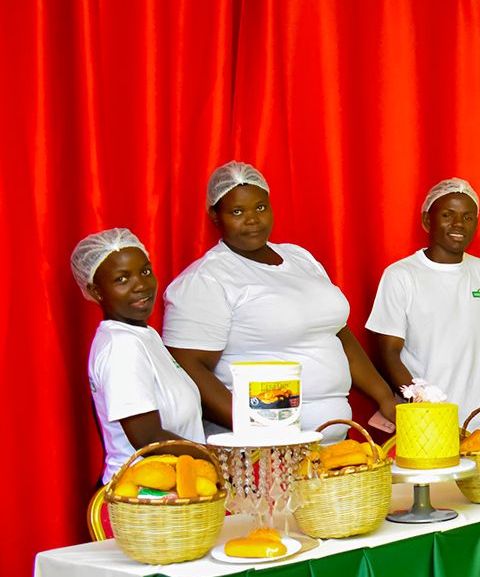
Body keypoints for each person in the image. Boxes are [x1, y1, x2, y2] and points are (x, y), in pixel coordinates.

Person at [164, 162, 397, 441]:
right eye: (237, 211)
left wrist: (385, 396)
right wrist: (262, 428)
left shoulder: (300, 258)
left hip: (332, 443)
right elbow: (187, 367)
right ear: (215, 216)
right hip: (261, 449)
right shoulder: (206, 279)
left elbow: (338, 333)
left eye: (260, 207)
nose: (252, 219)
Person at [366, 179, 480, 431]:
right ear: (427, 220)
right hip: (428, 422)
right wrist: (424, 407)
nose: (458, 224)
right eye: (447, 215)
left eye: (468, 217)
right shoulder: (401, 275)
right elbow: (389, 352)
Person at [72, 229, 204, 485]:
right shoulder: (121, 346)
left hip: (171, 485)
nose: (141, 285)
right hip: (141, 493)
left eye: (145, 271)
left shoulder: (144, 335)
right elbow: (147, 438)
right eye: (122, 279)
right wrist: (219, 458)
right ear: (96, 291)